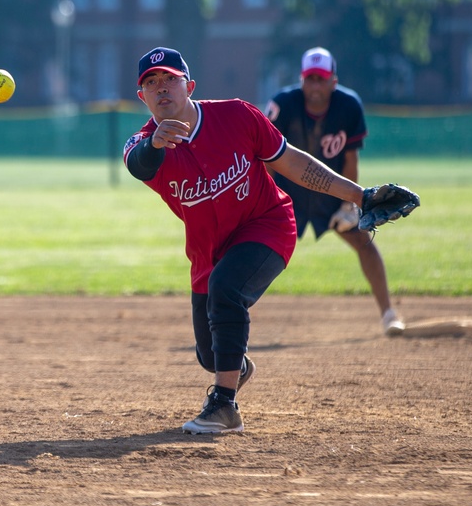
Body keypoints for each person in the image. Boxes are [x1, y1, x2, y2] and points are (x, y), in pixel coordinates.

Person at [123, 46, 383, 435]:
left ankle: (224, 407)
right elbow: (138, 163)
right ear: (142, 97)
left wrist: (360, 196)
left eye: (169, 80)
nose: (161, 89)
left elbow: (295, 162)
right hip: (208, 251)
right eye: (151, 83)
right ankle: (235, 369)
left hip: (268, 225)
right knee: (211, 355)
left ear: (189, 86)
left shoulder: (236, 116)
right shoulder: (142, 145)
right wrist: (155, 143)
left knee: (226, 290)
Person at [265, 47, 404, 337]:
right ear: (302, 80)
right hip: (286, 196)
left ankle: (389, 314)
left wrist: (347, 204)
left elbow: (351, 159)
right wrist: (265, 201)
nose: (315, 86)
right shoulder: (282, 104)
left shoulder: (348, 105)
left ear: (333, 81)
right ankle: (228, 321)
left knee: (364, 243)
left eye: (321, 79)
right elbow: (267, 160)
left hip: (331, 193)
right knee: (251, 248)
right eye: (310, 78)